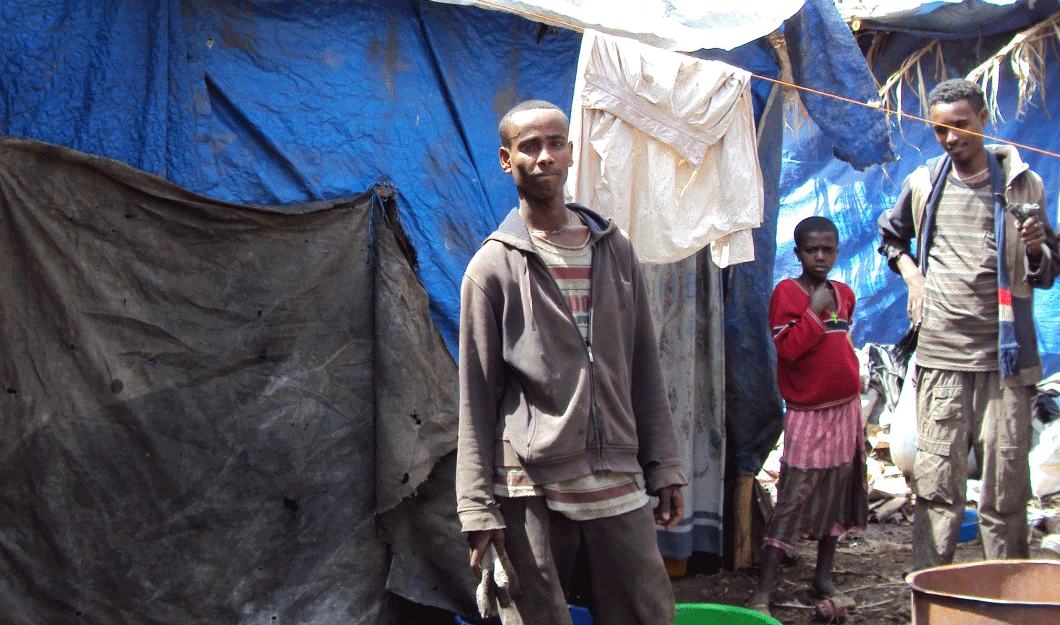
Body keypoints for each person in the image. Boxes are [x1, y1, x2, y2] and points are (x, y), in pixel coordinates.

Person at [456, 99, 688, 625]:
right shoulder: (492, 269)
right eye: (529, 146)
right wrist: (476, 506)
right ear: (505, 159)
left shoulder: (614, 250)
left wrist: (664, 464)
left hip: (617, 477)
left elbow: (644, 367)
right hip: (530, 486)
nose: (544, 157)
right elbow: (475, 396)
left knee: (646, 612)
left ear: (570, 152)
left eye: (555, 143)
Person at [878, 78, 1060, 571]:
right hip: (942, 358)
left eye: (960, 125)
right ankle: (933, 593)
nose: (951, 138)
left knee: (1004, 494)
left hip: (1007, 362)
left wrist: (1039, 244)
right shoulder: (923, 183)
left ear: (983, 119)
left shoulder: (1024, 184)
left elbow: (1047, 272)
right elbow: (891, 239)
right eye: (940, 129)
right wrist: (914, 277)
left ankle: (1006, 597)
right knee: (937, 490)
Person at [748, 216, 867, 617]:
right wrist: (814, 313)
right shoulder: (787, 293)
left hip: (845, 410)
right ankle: (763, 590)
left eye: (827, 249)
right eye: (811, 250)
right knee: (794, 494)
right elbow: (789, 350)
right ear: (797, 253)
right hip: (808, 413)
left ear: (837, 251)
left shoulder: (845, 293)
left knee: (837, 489)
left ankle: (823, 575)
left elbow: (842, 344)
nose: (820, 256)